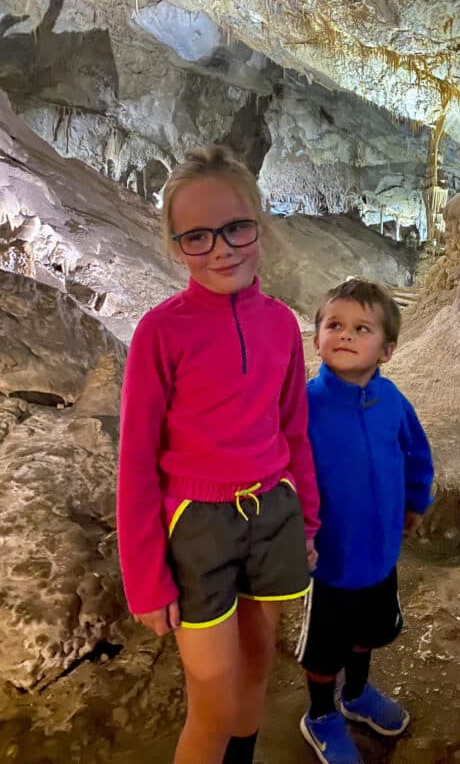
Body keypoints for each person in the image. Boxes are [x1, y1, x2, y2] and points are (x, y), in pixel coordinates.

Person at [117, 145, 320, 764]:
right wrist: (146, 580)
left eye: (236, 228)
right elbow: (137, 463)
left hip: (272, 514)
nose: (221, 249)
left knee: (257, 668)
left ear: (259, 224)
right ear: (175, 246)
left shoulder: (282, 324)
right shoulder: (161, 331)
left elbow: (293, 431)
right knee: (211, 692)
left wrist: (306, 520)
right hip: (197, 527)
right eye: (197, 238)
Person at [297, 278, 434, 764]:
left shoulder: (392, 402)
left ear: (387, 350)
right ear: (316, 338)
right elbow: (283, 472)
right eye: (334, 325)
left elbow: (416, 452)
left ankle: (355, 695)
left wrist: (417, 501)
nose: (346, 335)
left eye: (361, 328)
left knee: (366, 631)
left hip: (380, 555)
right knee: (324, 647)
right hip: (329, 561)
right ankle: (319, 714)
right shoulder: (302, 405)